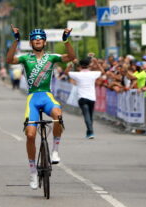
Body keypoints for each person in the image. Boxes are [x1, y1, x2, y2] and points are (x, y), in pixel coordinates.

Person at [6, 25, 75, 190]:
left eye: (40, 38)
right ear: (31, 43)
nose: (37, 40)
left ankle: (55, 150)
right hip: (33, 98)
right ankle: (32, 173)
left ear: (44, 42)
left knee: (58, 115)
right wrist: (15, 41)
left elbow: (71, 57)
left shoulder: (51, 57)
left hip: (47, 96)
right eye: (34, 39)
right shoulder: (25, 58)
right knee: (30, 135)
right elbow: (9, 60)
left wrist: (66, 41)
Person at [65, 57, 104, 139]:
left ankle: (90, 132)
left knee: (86, 115)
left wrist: (70, 64)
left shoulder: (77, 74)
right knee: (90, 115)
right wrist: (97, 63)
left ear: (80, 66)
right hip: (92, 98)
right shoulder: (93, 74)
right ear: (89, 65)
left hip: (82, 97)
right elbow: (103, 72)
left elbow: (66, 73)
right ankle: (89, 132)